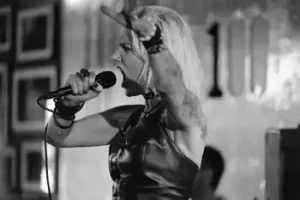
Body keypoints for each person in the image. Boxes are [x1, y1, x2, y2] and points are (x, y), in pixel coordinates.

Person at [46, 3, 206, 200]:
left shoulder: (186, 115)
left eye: (126, 48)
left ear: (150, 55)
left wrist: (152, 40)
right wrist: (67, 106)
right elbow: (57, 137)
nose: (115, 57)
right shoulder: (129, 118)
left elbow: (170, 87)